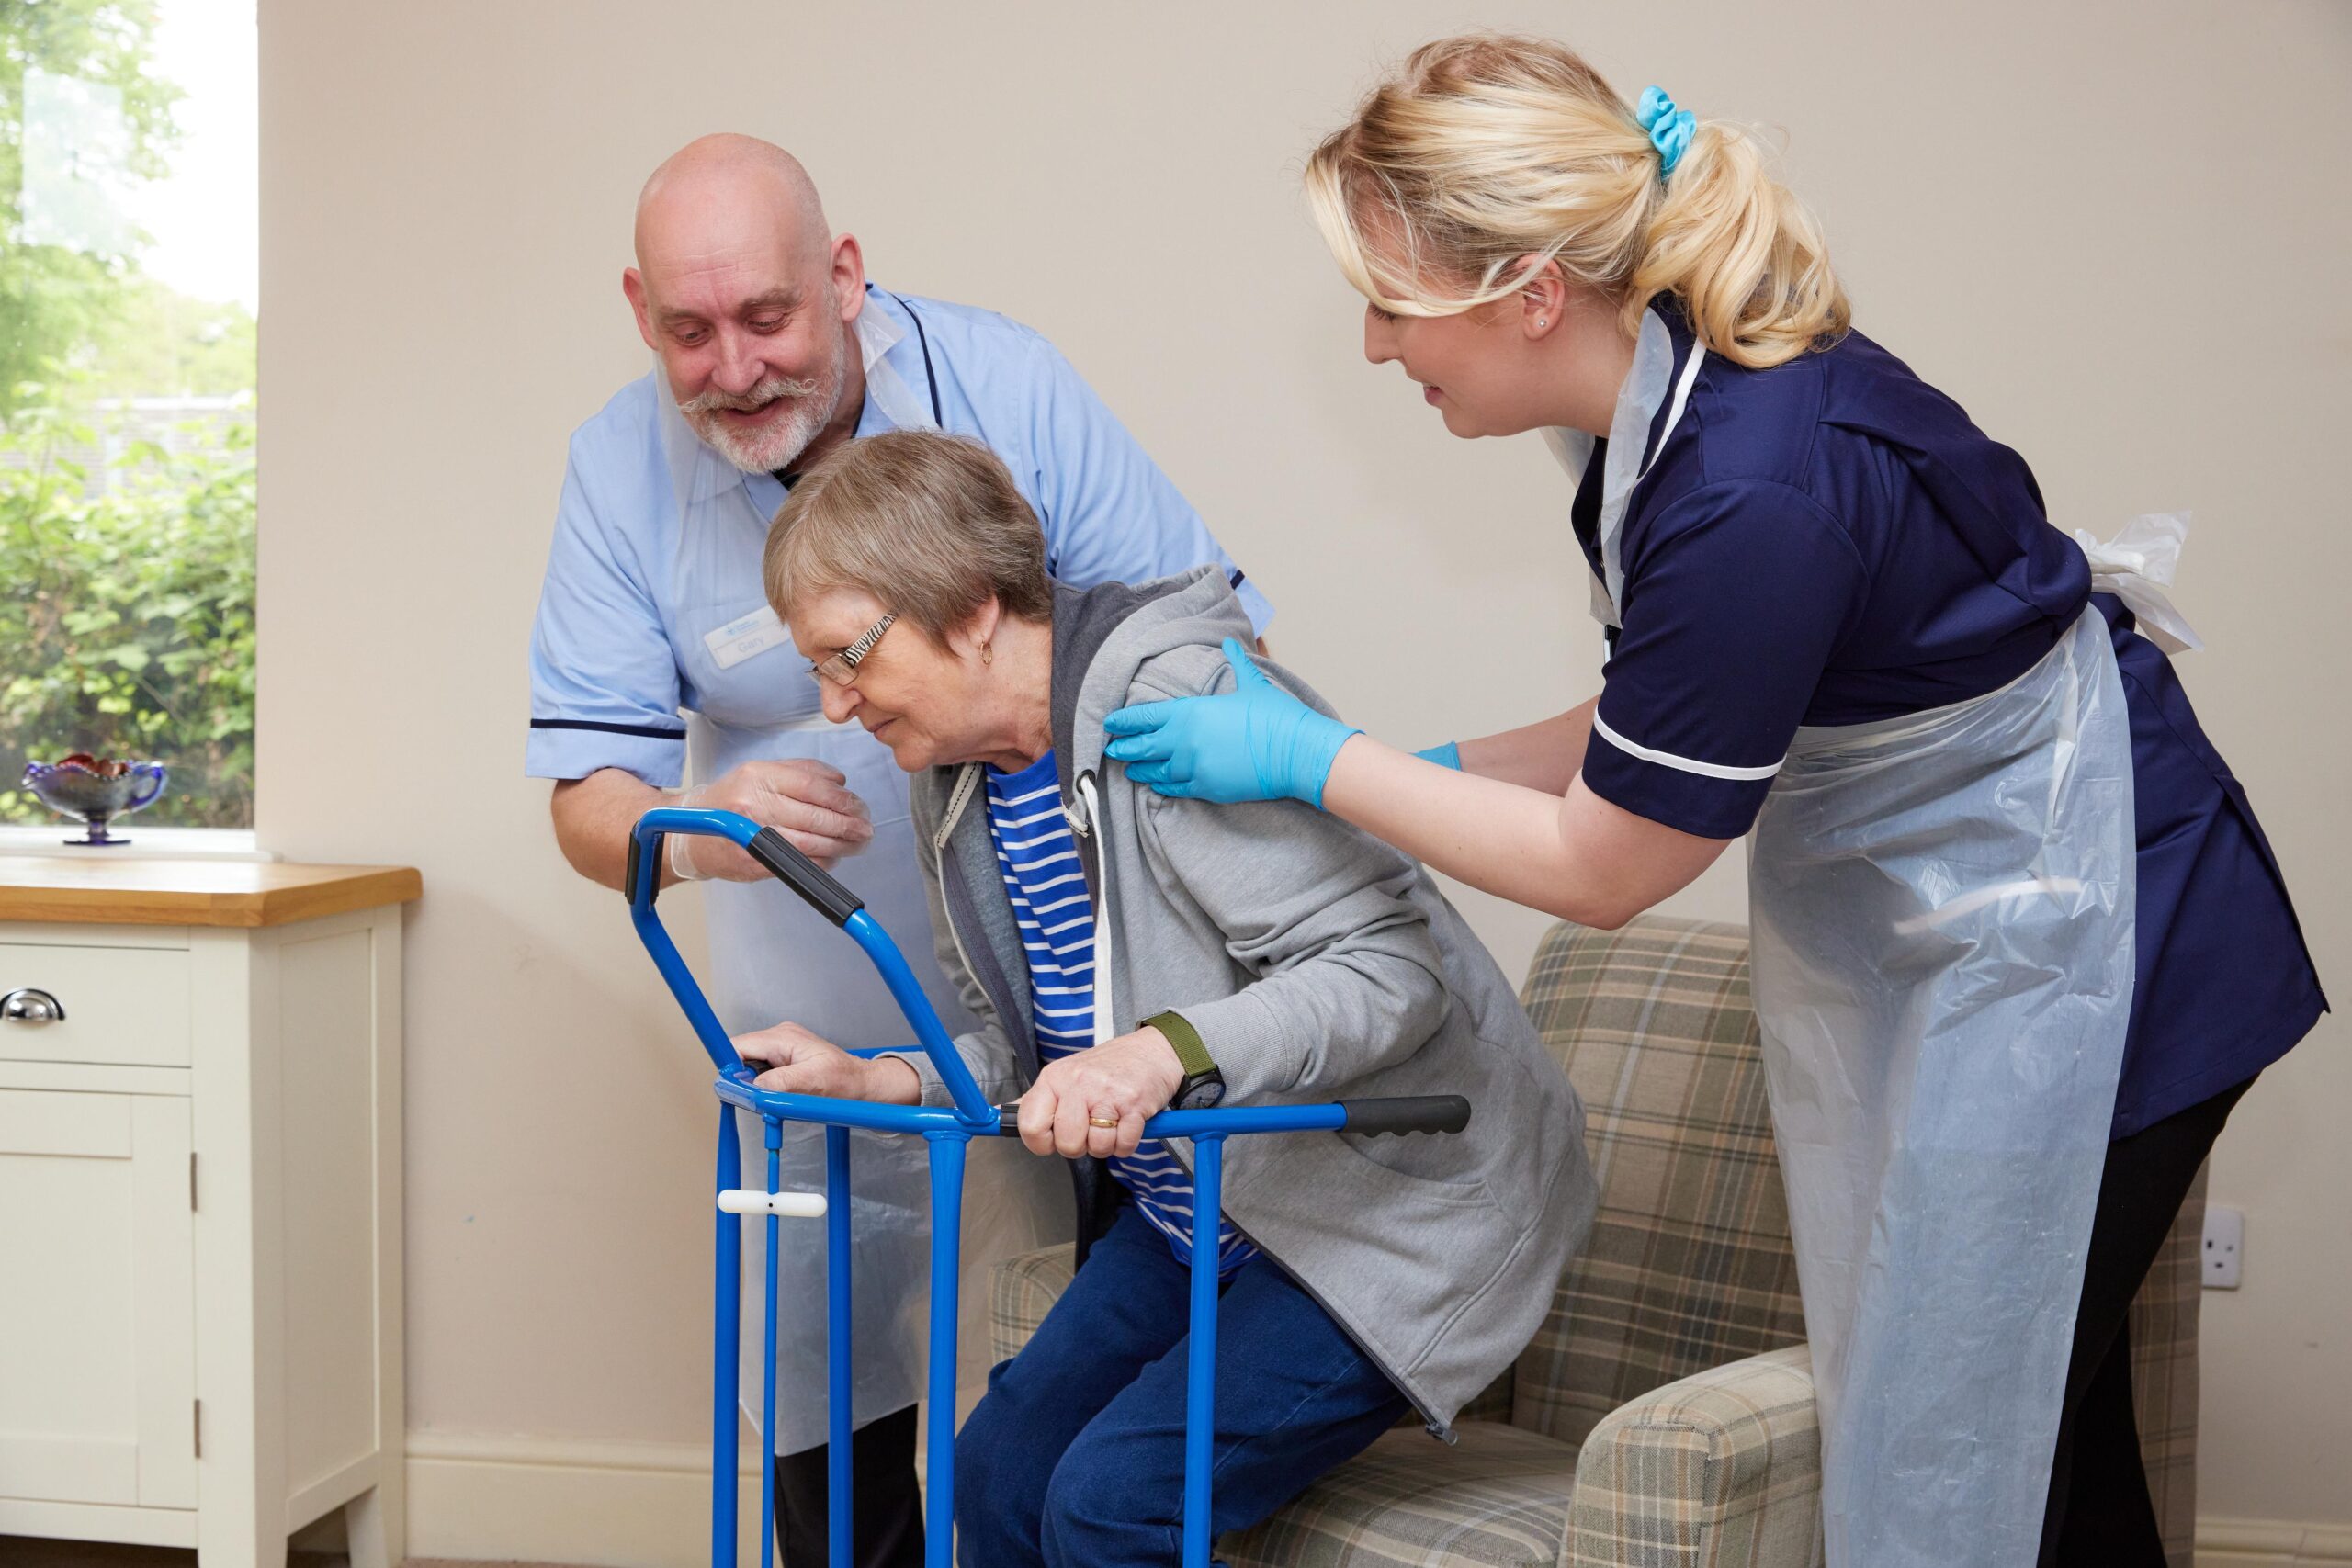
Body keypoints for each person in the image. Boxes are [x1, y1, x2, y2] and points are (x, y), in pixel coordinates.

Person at [1099, 35, 2327, 1568]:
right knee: (2041, 1436)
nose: (1369, 345)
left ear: (1530, 293)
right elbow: (1660, 721)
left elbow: (1612, 861)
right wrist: (1404, 767)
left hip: (2117, 939)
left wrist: (1319, 767)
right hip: (1996, 909)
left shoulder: (1751, 487)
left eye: (1393, 302)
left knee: (1969, 1424)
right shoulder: (1660, 391)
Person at [525, 134, 1270, 1567]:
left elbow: (1208, 655)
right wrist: (696, 829)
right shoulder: (618, 467)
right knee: (824, 1351)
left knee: (1115, 1337)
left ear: (847, 277)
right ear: (639, 313)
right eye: (689, 331)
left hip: (1074, 961)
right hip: (823, 978)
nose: (734, 366)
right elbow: (584, 800)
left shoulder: (1013, 388)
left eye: (768, 317)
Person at [731, 428, 1593, 1567]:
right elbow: (1033, 1045)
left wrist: (1154, 1054)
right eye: (819, 671)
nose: (838, 705)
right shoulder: (960, 782)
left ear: (973, 606)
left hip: (1391, 1211)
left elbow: (1390, 976)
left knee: (1108, 1501)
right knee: (993, 1471)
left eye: (851, 655)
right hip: (1210, 1207)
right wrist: (878, 1076)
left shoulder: (1172, 704)